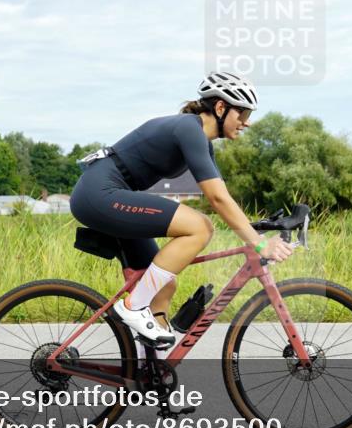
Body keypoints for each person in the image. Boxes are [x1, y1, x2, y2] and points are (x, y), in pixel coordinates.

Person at [70, 71, 294, 348]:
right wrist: (259, 244)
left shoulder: (201, 141)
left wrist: (253, 227)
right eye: (243, 114)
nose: (246, 123)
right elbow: (217, 198)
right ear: (221, 107)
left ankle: (149, 379)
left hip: (111, 194)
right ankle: (133, 307)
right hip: (99, 193)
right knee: (200, 227)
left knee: (164, 287)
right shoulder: (190, 129)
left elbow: (223, 195)